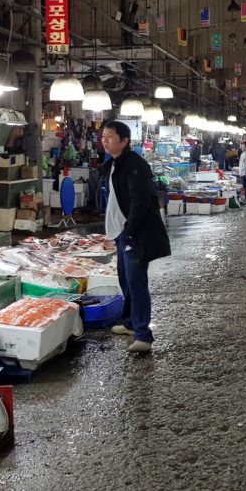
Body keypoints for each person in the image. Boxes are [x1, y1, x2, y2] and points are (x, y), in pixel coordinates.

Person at [100, 120, 172, 353]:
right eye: (103, 136)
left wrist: (130, 232)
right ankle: (130, 322)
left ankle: (143, 334)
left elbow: (140, 202)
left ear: (124, 141)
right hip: (122, 232)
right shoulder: (114, 163)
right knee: (125, 280)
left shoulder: (135, 165)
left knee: (136, 282)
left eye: (109, 136)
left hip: (135, 234)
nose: (104, 140)